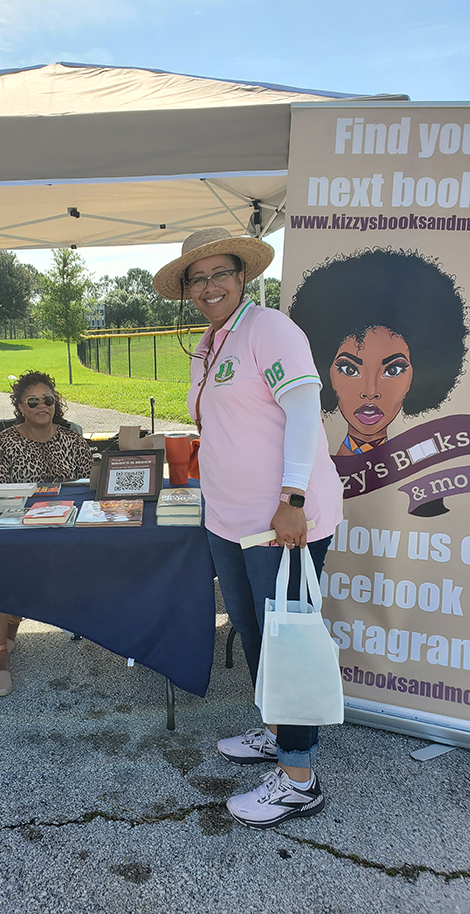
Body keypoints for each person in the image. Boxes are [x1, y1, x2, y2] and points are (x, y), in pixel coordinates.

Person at [154, 228, 343, 830]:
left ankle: (298, 779)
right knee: (255, 632)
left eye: (220, 274)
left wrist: (291, 497)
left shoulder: (270, 329)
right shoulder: (212, 340)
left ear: (243, 277)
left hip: (282, 519)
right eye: (197, 278)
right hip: (230, 518)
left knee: (286, 644)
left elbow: (305, 410)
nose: (210, 286)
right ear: (188, 292)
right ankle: (274, 732)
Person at [288, 248, 467, 455]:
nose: (370, 392)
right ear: (322, 369)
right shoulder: (312, 469)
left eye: (393, 370)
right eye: (349, 369)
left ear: (417, 376)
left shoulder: (426, 466)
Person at [0, 370, 92, 697]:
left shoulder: (72, 439)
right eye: (33, 401)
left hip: (69, 532)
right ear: (19, 406)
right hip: (19, 530)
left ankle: (15, 622)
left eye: (48, 399)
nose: (42, 405)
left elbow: (91, 488)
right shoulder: (6, 442)